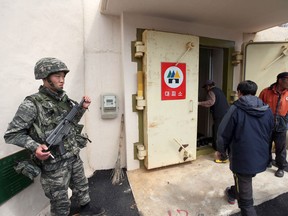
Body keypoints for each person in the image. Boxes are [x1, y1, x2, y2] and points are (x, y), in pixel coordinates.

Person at [4, 57, 105, 216]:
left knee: (81, 186)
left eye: (63, 76)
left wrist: (82, 109)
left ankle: (86, 209)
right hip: (54, 163)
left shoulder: (63, 99)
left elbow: (69, 124)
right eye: (57, 76)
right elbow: (12, 134)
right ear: (45, 78)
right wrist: (35, 147)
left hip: (72, 156)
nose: (62, 80)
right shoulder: (32, 103)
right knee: (60, 201)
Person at [217, 80, 274, 216]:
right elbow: (271, 131)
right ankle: (233, 191)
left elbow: (223, 133)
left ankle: (245, 206)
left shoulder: (235, 109)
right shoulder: (267, 109)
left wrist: (221, 151)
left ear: (239, 93)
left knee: (246, 198)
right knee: (244, 178)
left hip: (242, 158)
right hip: (261, 155)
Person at [259, 72, 288, 178]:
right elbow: (259, 107)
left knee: (281, 148)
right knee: (266, 145)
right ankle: (267, 162)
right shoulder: (266, 92)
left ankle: (281, 167)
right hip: (267, 124)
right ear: (280, 80)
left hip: (281, 125)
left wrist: (285, 120)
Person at [198, 80, 229, 163]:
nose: (205, 89)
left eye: (205, 87)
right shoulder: (219, 90)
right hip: (225, 114)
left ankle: (222, 157)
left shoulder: (211, 92)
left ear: (208, 86)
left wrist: (199, 103)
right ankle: (223, 153)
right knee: (218, 131)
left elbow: (211, 102)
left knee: (217, 134)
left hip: (220, 115)